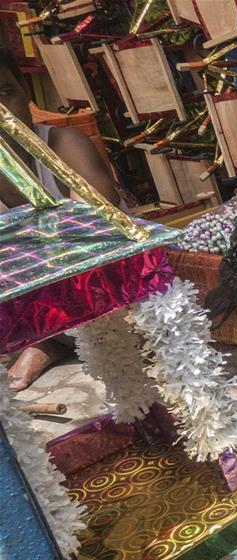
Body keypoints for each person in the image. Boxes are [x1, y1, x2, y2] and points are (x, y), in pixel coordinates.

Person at [0, 46, 121, 391]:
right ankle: (43, 340)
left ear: (26, 93)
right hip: (33, 293)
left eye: (7, 93)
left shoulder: (66, 144)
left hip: (93, 283)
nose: (3, 113)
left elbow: (98, 231)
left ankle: (45, 341)